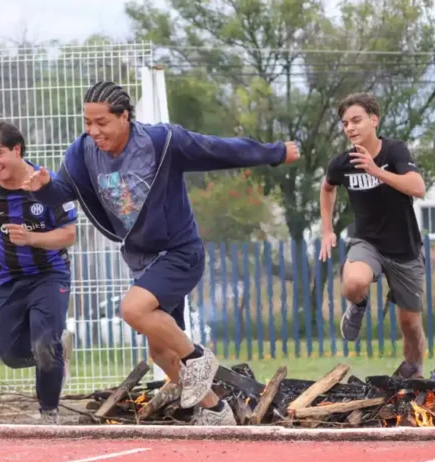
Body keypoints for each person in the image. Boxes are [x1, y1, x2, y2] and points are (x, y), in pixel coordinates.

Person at [22, 81, 300, 425]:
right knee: (161, 350)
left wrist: (274, 153)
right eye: (87, 122)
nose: (93, 131)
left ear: (124, 117)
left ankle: (198, 358)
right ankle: (215, 410)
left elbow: (218, 149)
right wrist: (44, 187)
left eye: (102, 123)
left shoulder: (161, 142)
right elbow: (65, 192)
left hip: (179, 252)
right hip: (142, 259)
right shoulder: (81, 153)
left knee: (133, 308)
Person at [0, 121, 78, 424]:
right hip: (7, 280)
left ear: (17, 149)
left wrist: (32, 238)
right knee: (10, 356)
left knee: (44, 344)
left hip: (49, 276)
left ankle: (49, 414)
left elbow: (68, 235)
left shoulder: (49, 185)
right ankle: (56, 352)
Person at [319, 92, 428, 378]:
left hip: (405, 250)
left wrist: (376, 171)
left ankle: (414, 376)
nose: (350, 128)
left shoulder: (395, 152)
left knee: (410, 325)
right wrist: (327, 230)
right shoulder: (341, 163)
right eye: (345, 123)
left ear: (374, 120)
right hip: (368, 243)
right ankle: (358, 305)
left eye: (356, 120)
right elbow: (327, 188)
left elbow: (418, 187)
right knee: (353, 283)